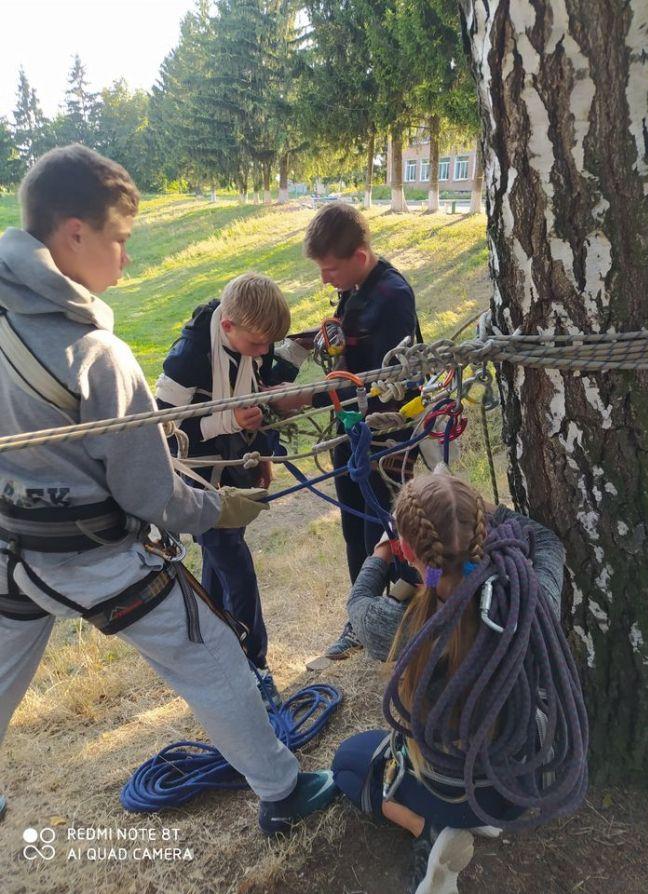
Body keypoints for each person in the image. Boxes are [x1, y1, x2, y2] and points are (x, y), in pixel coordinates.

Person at [0, 145, 335, 834]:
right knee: (214, 656)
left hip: (12, 549)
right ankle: (281, 788)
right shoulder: (96, 356)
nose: (124, 260)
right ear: (74, 233)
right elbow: (150, 491)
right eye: (118, 240)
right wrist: (218, 507)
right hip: (93, 557)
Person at [331, 473, 588, 893]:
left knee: (346, 762)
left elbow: (357, 603)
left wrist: (381, 551)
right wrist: (487, 510)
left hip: (443, 793)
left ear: (408, 550)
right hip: (514, 788)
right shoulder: (527, 600)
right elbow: (547, 543)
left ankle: (426, 828)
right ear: (480, 534)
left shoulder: (396, 625)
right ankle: (467, 822)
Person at [273, 202, 421, 659]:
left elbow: (376, 384)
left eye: (330, 268)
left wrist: (302, 399)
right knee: (353, 526)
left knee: (383, 530)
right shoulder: (356, 289)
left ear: (359, 255)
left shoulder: (392, 298)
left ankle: (392, 618)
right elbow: (341, 348)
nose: (324, 279)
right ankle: (362, 617)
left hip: (385, 434)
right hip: (351, 431)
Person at [155, 273, 309, 704]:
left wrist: (260, 452)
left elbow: (256, 383)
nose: (264, 353)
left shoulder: (248, 339)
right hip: (199, 478)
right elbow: (161, 430)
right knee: (234, 566)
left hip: (236, 467)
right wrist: (228, 421)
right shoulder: (188, 358)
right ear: (228, 327)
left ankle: (222, 650)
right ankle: (255, 664)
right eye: (259, 344)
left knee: (218, 566)